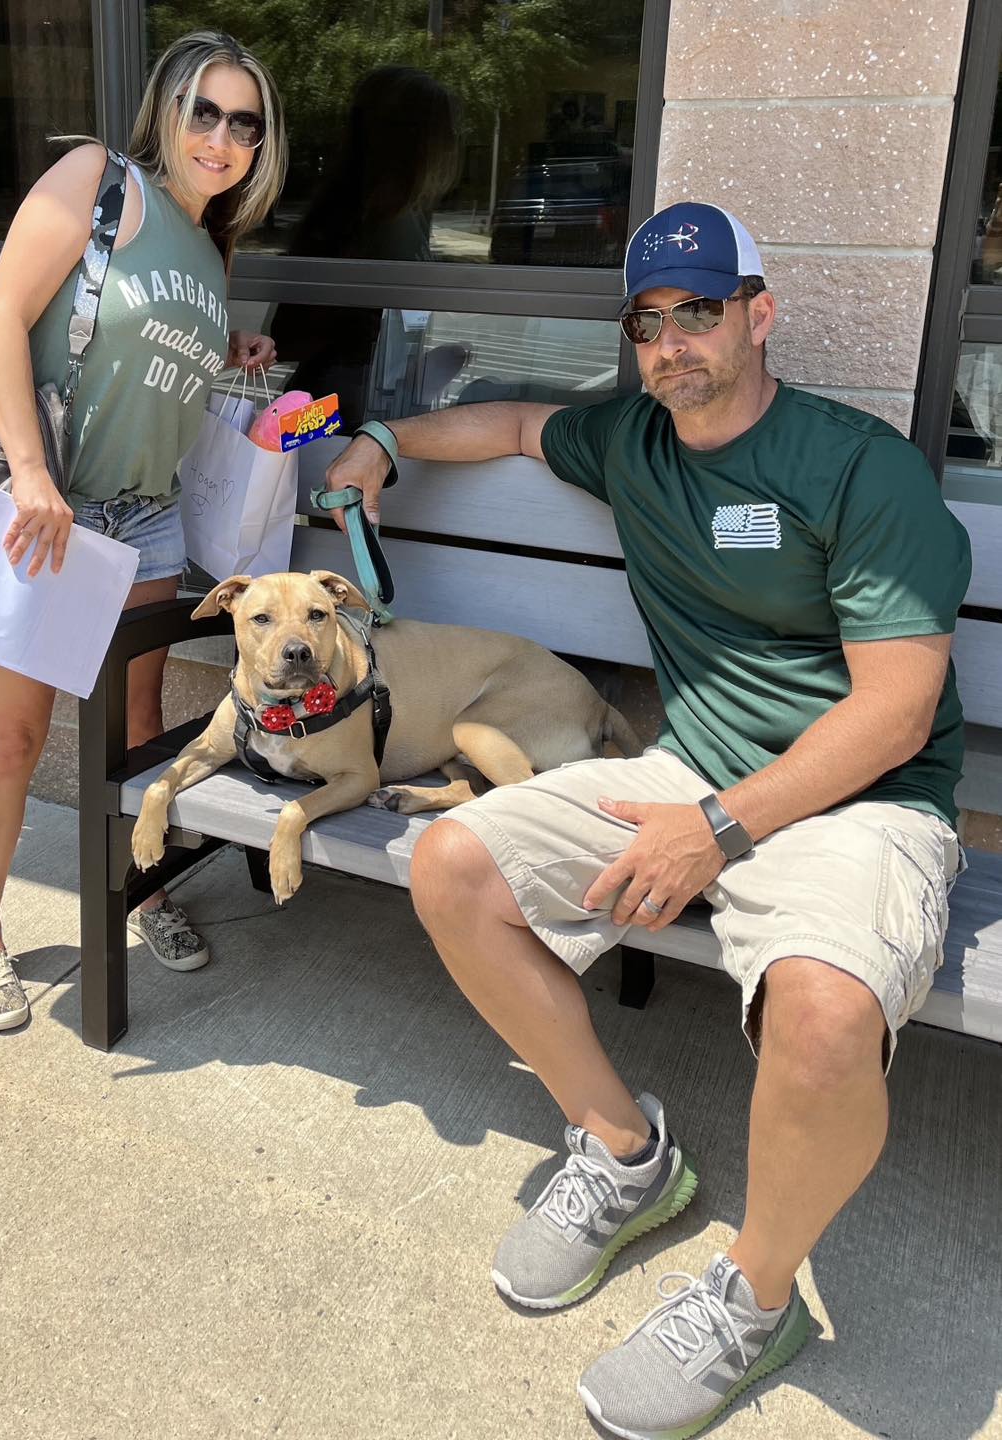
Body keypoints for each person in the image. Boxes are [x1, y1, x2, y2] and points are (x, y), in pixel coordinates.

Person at [323, 201, 971, 1438]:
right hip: (689, 774)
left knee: (826, 1013)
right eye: (648, 321)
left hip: (858, 804)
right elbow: (513, 421)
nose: (673, 342)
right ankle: (627, 1155)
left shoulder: (853, 464)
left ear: (757, 315)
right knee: (452, 862)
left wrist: (717, 830)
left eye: (700, 312)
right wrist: (381, 443)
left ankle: (755, 1295)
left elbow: (895, 714)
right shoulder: (633, 439)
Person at [0, 31, 287, 1031]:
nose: (222, 137)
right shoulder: (100, 179)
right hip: (52, 507)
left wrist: (225, 348)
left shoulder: (212, 243)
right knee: (13, 737)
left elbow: (142, 346)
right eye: (205, 112)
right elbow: (2, 316)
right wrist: (26, 475)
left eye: (245, 122)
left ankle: (144, 895)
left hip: (142, 523)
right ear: (167, 111)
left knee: (137, 739)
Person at [269, 65, 463, 428]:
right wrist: (353, 325)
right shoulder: (346, 221)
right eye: (444, 130)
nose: (453, 141)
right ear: (412, 141)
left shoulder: (410, 216)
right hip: (331, 414)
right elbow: (287, 336)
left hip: (373, 407)